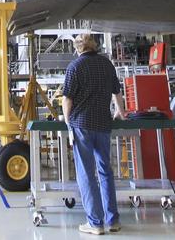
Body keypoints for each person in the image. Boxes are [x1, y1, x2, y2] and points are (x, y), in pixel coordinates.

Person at [61, 33, 124, 236]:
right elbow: (117, 92)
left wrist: (68, 121)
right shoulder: (107, 65)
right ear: (94, 46)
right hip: (103, 124)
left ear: (78, 48)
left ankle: (95, 222)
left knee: (86, 174)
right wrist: (119, 110)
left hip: (82, 125)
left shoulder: (75, 67)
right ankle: (112, 220)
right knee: (105, 170)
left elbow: (67, 99)